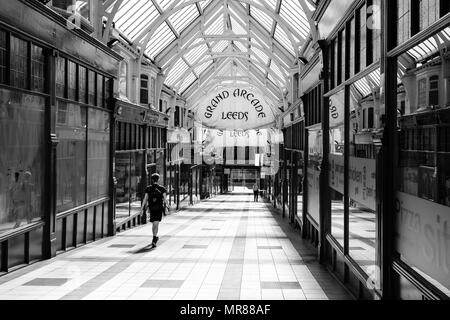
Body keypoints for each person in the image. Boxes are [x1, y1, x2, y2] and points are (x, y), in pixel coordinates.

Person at [141, 173, 167, 248]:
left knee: (153, 224)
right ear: (158, 179)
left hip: (151, 208)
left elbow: (145, 199)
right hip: (159, 208)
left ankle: (154, 237)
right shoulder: (162, 188)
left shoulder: (148, 188)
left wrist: (142, 209)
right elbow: (165, 200)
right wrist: (168, 206)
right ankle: (154, 238)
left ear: (152, 180)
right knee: (156, 223)